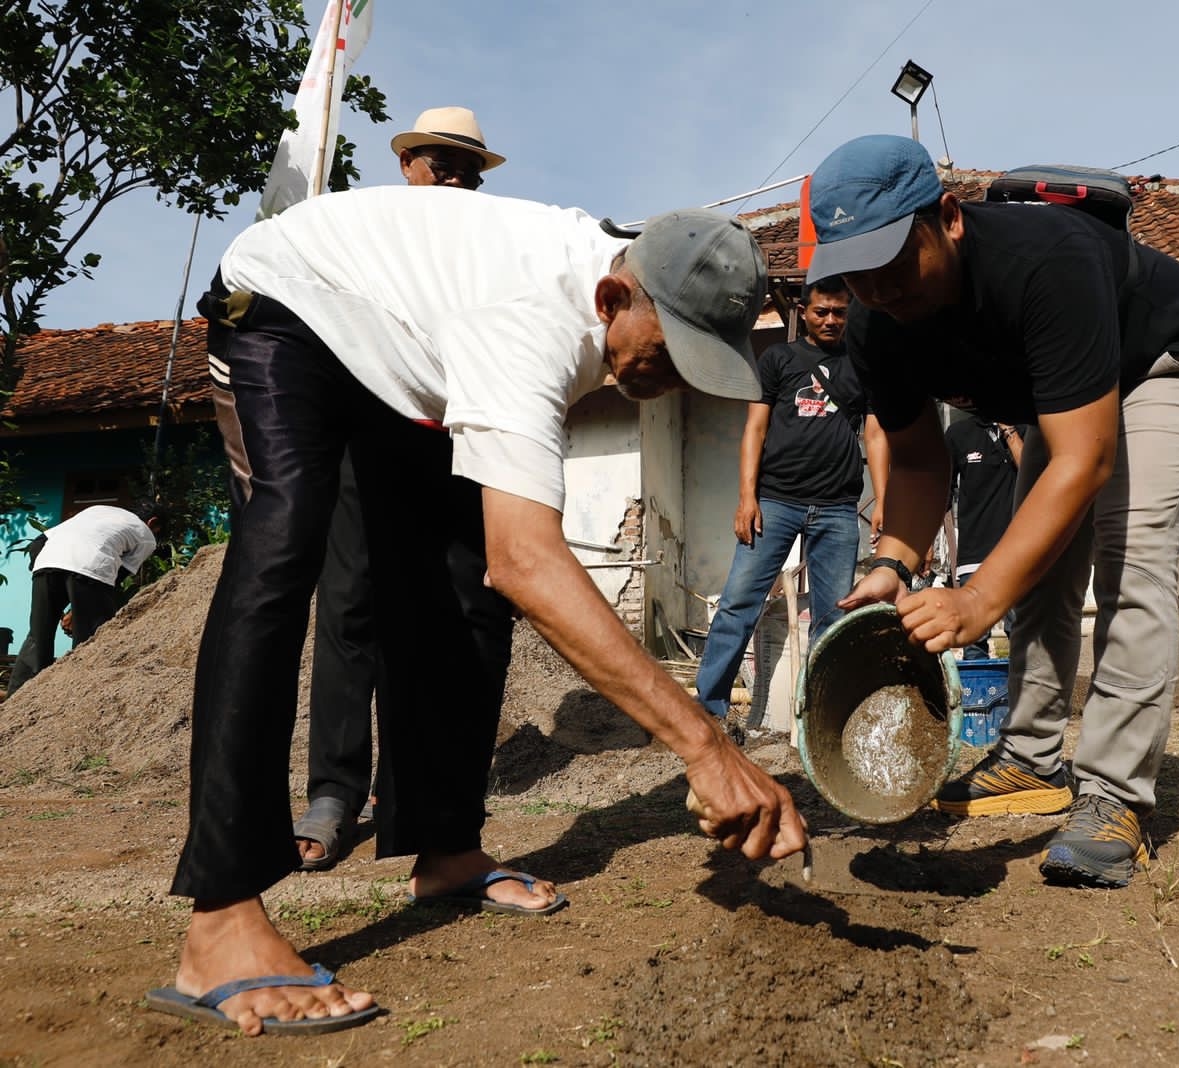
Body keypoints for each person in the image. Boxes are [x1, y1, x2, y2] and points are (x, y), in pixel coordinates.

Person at [156, 188, 806, 1036]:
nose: (675, 378)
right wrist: (705, 747)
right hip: (290, 300)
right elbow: (528, 561)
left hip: (409, 356)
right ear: (612, 298)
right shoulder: (528, 322)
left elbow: (499, 564)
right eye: (669, 352)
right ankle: (221, 916)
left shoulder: (610, 286)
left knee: (466, 585)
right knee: (282, 545)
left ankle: (446, 847)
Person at [807, 134, 1179, 890]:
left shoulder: (1046, 260)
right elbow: (917, 460)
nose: (878, 290)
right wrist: (893, 561)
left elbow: (1083, 462)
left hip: (1161, 360)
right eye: (855, 275)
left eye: (893, 261)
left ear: (949, 218)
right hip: (1062, 404)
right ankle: (1031, 759)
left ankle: (1114, 796)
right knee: (1038, 571)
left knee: (1130, 561)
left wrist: (975, 599)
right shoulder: (876, 323)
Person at [292, 106, 506, 873]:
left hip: (455, 441)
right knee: (350, 608)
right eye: (440, 164)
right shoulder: (366, 237)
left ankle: (407, 794)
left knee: (444, 614)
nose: (454, 179)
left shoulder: (489, 253)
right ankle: (334, 791)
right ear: (407, 165)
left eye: (468, 170)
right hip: (364, 438)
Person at [694, 277, 884, 733]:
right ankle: (708, 713)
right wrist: (747, 498)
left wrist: (884, 500)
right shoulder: (778, 359)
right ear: (804, 311)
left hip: (838, 508)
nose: (831, 320)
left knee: (832, 618)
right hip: (775, 503)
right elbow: (755, 430)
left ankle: (821, 722)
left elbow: (876, 435)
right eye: (822, 311)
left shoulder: (863, 364)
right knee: (738, 604)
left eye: (840, 312)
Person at [6, 504, 159, 695]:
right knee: (91, 636)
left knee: (37, 636)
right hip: (93, 567)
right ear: (153, 522)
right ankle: (81, 694)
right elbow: (117, 576)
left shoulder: (96, 510)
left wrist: (45, 575)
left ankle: (19, 697)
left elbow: (39, 542)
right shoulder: (146, 535)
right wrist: (77, 611)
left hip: (47, 562)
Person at [944, 417, 1024, 660]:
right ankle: (978, 685)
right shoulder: (959, 433)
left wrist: (1009, 430)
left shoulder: (1024, 428)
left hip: (1017, 553)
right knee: (973, 638)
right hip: (974, 553)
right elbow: (942, 491)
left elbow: (1032, 473)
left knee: (1021, 632)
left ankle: (1020, 684)